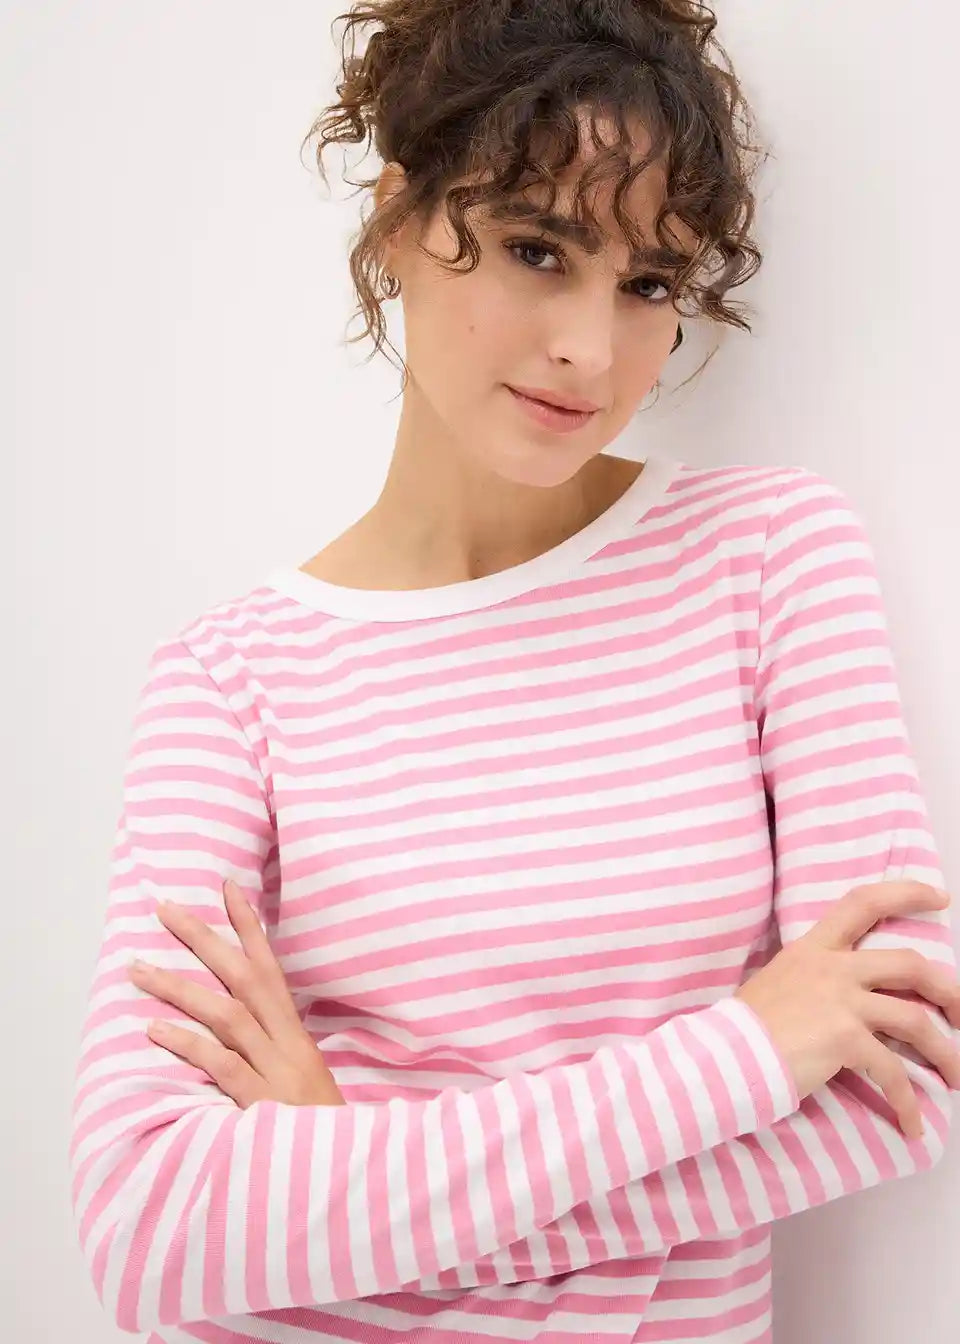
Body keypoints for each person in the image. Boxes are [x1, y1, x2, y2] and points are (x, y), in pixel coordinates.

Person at [68, 2, 959, 1342]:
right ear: (396, 221)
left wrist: (349, 1176)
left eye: (649, 283)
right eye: (539, 250)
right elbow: (149, 1229)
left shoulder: (768, 559)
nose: (592, 350)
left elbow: (899, 1081)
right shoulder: (229, 683)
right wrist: (744, 1053)